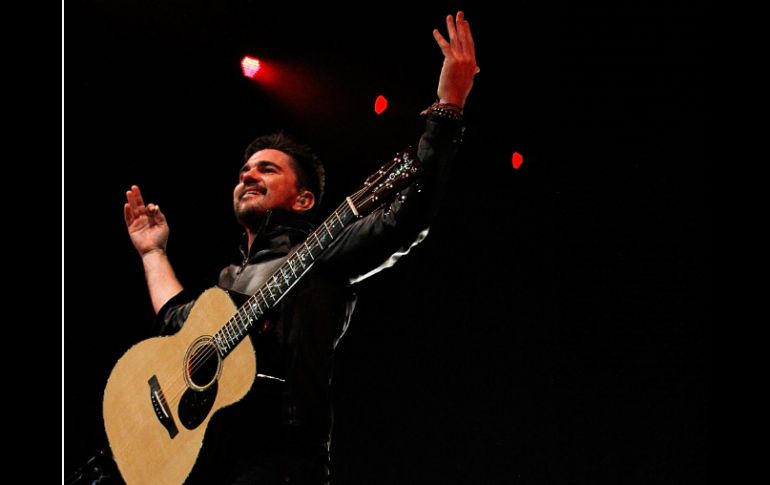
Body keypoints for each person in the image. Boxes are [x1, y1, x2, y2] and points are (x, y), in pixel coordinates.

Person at [123, 11, 478, 485]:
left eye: (267, 170)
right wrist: (152, 252)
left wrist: (448, 107)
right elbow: (173, 319)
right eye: (245, 169)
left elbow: (405, 219)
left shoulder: (322, 250)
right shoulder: (227, 283)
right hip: (212, 463)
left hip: (279, 466)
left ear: (303, 198)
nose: (248, 175)